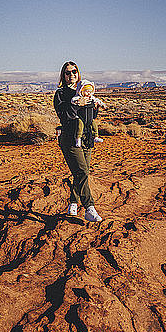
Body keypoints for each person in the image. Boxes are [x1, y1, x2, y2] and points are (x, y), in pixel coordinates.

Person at [54, 61, 102, 222]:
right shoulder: (61, 94)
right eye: (68, 73)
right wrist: (77, 104)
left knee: (81, 172)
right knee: (82, 171)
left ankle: (73, 201)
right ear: (63, 75)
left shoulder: (85, 90)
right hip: (70, 139)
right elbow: (65, 116)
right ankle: (89, 207)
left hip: (87, 138)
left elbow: (91, 118)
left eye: (74, 71)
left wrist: (94, 108)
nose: (71, 75)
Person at [71, 79, 106, 147]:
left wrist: (102, 105)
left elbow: (98, 100)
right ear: (81, 91)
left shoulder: (91, 98)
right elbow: (73, 100)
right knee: (80, 126)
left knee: (94, 124)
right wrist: (79, 101)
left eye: (90, 91)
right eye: (86, 91)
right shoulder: (78, 97)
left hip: (89, 118)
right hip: (80, 117)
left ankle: (95, 137)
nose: (88, 93)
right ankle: (78, 138)